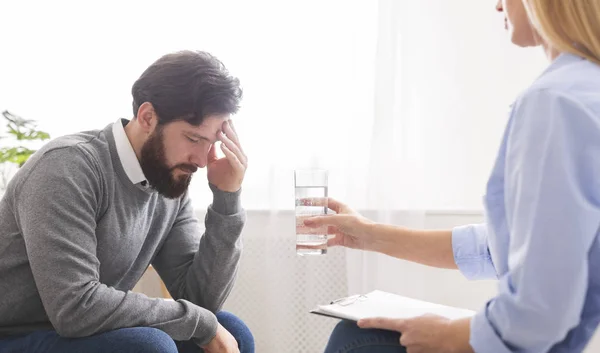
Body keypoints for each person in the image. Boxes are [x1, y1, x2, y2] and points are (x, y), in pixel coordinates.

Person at [306, 0, 600, 352]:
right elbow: (498, 246)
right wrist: (367, 235)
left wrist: (456, 335)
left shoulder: (554, 101)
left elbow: (543, 308)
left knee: (357, 338)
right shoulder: (584, 88)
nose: (497, 6)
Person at [0, 50, 253, 353]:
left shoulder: (168, 180)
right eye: (193, 139)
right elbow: (75, 308)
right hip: (14, 332)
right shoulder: (67, 168)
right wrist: (201, 323)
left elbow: (201, 301)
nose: (201, 160)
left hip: (75, 332)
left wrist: (227, 199)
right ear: (148, 117)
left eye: (210, 143)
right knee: (150, 347)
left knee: (233, 331)